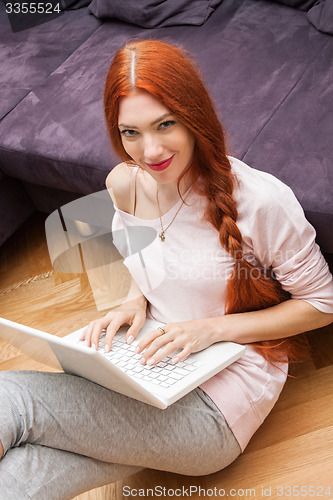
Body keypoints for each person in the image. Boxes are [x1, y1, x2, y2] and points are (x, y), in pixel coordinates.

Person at [0, 40, 333, 500]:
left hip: (217, 408)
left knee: (12, 401)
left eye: (165, 124)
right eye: (130, 132)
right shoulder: (123, 185)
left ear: (194, 115)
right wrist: (134, 298)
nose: (149, 150)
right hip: (151, 364)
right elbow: (156, 251)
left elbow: (321, 305)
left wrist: (209, 330)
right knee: (22, 475)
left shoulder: (262, 201)